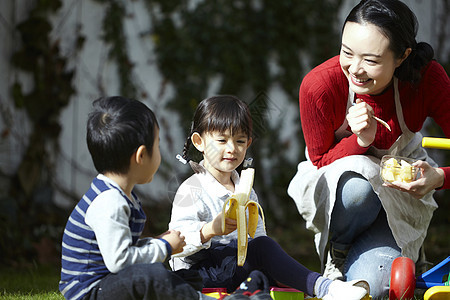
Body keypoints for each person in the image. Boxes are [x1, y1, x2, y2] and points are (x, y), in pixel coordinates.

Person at [287, 0, 450, 298]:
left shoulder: (428, 79)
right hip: (343, 199)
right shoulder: (320, 86)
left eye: (371, 60)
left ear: (402, 57)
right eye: (347, 52)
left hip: (398, 195)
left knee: (371, 290)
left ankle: (398, 249)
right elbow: (321, 160)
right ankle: (337, 253)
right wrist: (360, 140)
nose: (355, 69)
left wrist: (439, 177)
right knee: (358, 185)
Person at [169, 95, 370, 300]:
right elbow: (176, 246)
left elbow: (258, 241)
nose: (231, 149)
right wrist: (210, 230)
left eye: (239, 141)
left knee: (264, 261)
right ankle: (325, 288)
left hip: (235, 268)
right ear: (199, 142)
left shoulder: (245, 188)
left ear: (248, 143)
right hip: (200, 273)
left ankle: (310, 289)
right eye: (221, 140)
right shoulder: (192, 188)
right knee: (263, 250)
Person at [59, 96, 214, 300]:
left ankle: (188, 291)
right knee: (153, 276)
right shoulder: (110, 202)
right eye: (157, 146)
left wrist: (156, 242)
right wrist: (165, 247)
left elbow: (122, 250)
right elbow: (120, 261)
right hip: (89, 293)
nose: (159, 153)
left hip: (107, 284)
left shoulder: (118, 194)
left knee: (184, 278)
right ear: (141, 156)